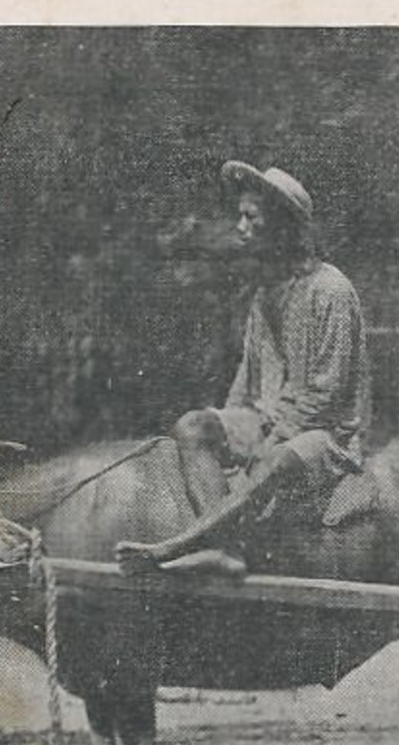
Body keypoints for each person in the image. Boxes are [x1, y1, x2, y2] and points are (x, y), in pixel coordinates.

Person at [116, 161, 371, 576]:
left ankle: (175, 546)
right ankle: (225, 546)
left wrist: (274, 441)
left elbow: (325, 397)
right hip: (268, 421)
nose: (241, 227)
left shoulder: (331, 289)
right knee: (192, 426)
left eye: (252, 217)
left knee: (278, 461)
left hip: (324, 436)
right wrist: (225, 428)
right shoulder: (264, 296)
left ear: (283, 227)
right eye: (241, 216)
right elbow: (245, 386)